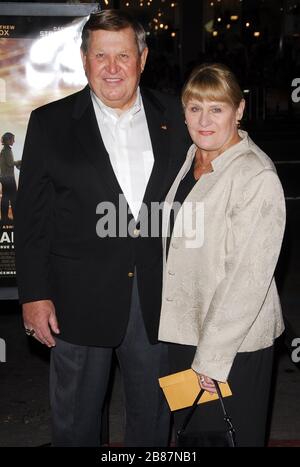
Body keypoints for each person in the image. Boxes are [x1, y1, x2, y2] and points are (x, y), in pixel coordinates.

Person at [15, 10, 189, 447]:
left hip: (158, 301)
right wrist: (34, 295)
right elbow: (32, 221)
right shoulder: (49, 123)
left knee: (153, 420)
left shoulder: (177, 115)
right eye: (101, 56)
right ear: (84, 59)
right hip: (76, 301)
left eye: (123, 56)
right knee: (75, 423)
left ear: (143, 58)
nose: (112, 68)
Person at [158, 63, 286, 447]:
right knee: (191, 439)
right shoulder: (193, 158)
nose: (205, 119)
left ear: (240, 110)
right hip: (186, 332)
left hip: (231, 345)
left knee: (224, 438)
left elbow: (247, 279)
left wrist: (211, 361)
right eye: (195, 108)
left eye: (217, 108)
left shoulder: (255, 175)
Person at [0, 132, 21, 224]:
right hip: (9, 178)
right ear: (8, 140)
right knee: (13, 198)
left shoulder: (4, 150)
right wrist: (20, 161)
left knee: (5, 197)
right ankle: (16, 218)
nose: (14, 141)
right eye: (12, 139)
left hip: (4, 177)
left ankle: (4, 218)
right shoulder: (7, 151)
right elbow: (10, 163)